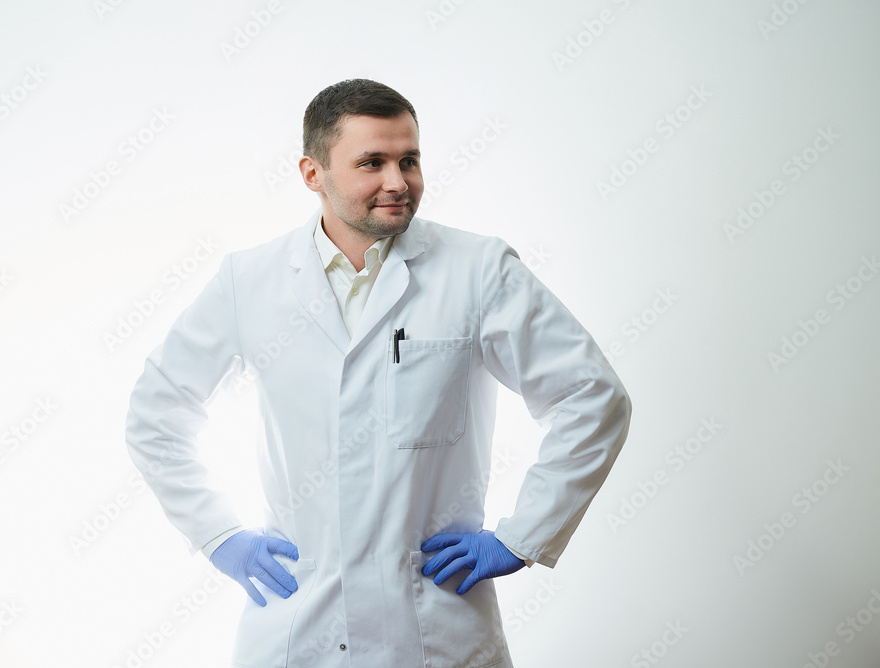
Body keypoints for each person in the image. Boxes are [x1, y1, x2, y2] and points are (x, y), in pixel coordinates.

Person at [125, 78, 632, 668]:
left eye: (409, 160)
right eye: (372, 163)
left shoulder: (478, 270)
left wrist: (522, 537)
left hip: (434, 624)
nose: (398, 182)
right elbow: (156, 414)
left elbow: (590, 396)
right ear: (313, 174)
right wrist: (217, 535)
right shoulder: (249, 281)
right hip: (297, 625)